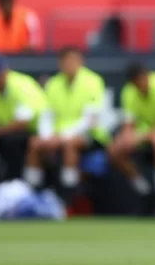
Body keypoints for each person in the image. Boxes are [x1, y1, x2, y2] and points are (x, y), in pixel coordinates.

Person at [24, 47, 109, 202]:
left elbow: (90, 121)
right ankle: (31, 194)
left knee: (70, 145)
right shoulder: (53, 84)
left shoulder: (93, 81)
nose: (69, 64)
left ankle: (68, 198)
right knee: (34, 143)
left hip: (90, 136)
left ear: (80, 62)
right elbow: (46, 115)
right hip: (57, 136)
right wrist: (47, 137)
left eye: (73, 60)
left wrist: (62, 136)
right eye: (66, 61)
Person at [108, 62, 155, 215]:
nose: (141, 84)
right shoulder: (129, 91)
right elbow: (128, 124)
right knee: (114, 150)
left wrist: (142, 136)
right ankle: (144, 190)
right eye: (136, 82)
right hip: (143, 134)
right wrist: (127, 137)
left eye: (142, 79)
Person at [0, 55, 48, 195]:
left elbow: (21, 124)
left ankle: (13, 186)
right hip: (5, 131)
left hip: (36, 130)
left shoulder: (21, 85)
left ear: (6, 71)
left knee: (11, 141)